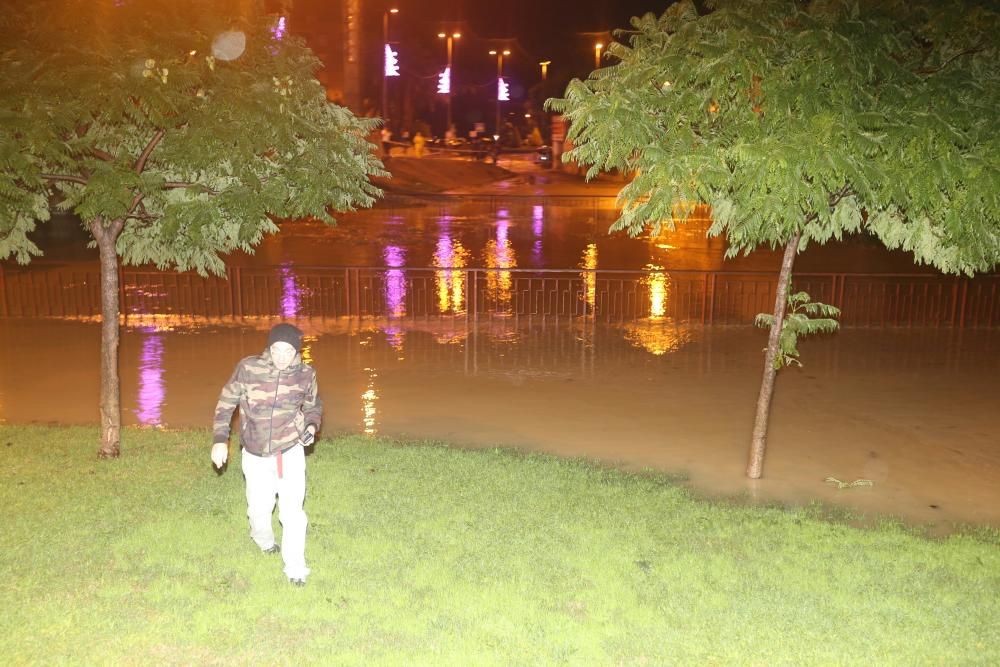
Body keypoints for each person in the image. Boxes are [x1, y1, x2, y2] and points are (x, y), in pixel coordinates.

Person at [211, 323, 322, 587]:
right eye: (276, 349)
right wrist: (219, 441)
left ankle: (295, 568)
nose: (282, 356)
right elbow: (225, 404)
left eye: (288, 350)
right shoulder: (248, 368)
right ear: (269, 348)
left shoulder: (306, 374)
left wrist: (310, 426)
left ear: (297, 351)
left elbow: (313, 406)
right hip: (255, 453)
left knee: (292, 512)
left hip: (290, 451)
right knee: (259, 510)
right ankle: (263, 540)